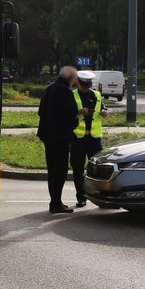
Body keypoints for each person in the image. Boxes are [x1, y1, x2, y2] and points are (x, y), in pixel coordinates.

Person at [36, 65, 80, 213]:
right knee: (60, 171)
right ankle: (56, 203)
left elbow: (40, 111)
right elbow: (72, 116)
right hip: (61, 138)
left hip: (48, 137)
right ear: (71, 78)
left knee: (52, 170)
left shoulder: (49, 89)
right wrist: (73, 124)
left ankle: (53, 201)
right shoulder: (66, 92)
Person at [70, 70, 108, 208]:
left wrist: (105, 112)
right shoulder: (72, 95)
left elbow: (103, 108)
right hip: (78, 139)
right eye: (84, 85)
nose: (86, 88)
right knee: (78, 169)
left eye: (88, 85)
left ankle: (101, 197)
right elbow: (65, 113)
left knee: (100, 169)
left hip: (94, 139)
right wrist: (78, 112)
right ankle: (81, 197)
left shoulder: (97, 95)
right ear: (78, 83)